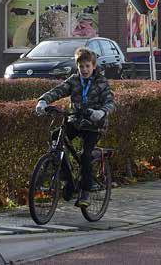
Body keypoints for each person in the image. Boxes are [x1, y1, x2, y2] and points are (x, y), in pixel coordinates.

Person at [35, 47, 115, 207]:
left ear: (93, 66)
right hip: (75, 121)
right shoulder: (74, 80)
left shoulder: (101, 83)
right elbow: (58, 91)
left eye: (87, 66)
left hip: (94, 125)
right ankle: (68, 181)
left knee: (85, 155)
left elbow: (110, 102)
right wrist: (43, 101)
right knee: (55, 138)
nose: (84, 70)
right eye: (81, 67)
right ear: (77, 67)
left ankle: (86, 191)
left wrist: (101, 112)